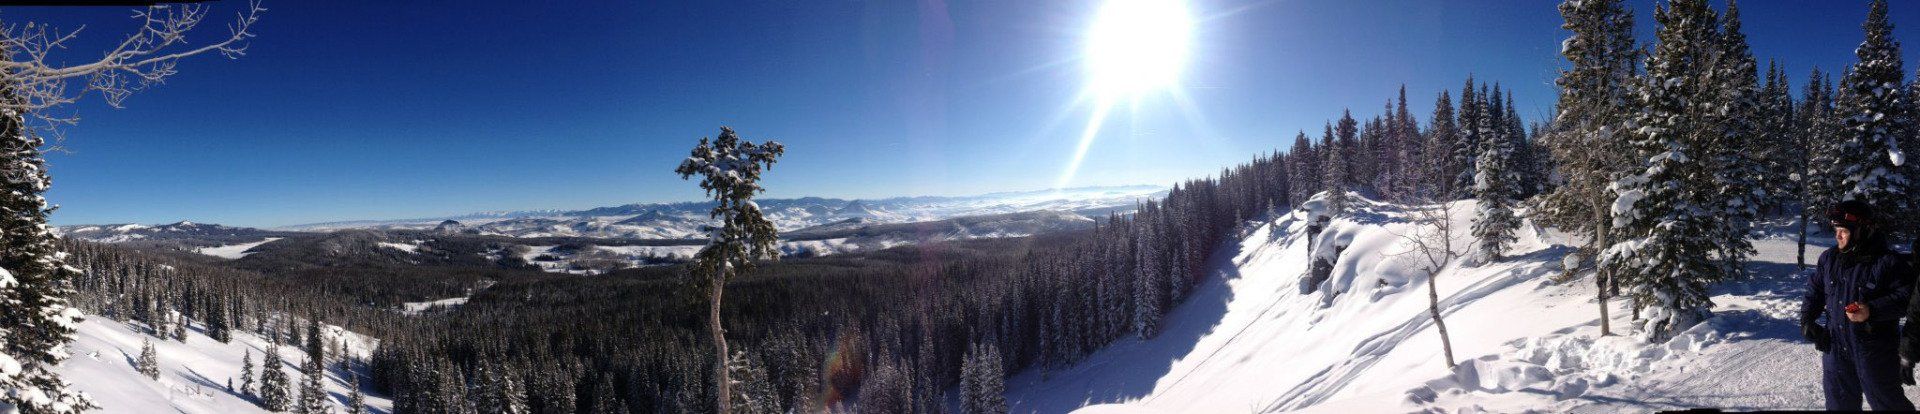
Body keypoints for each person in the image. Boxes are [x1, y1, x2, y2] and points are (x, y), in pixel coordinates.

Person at [1802, 199, 1915, 410]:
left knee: (1888, 405)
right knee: (1839, 406)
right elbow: (1814, 291)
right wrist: (1807, 319)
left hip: (1874, 350)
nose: (1837, 235)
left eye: (1843, 230)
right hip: (1835, 349)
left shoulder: (1887, 262)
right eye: (1836, 229)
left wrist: (1872, 310)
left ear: (1862, 230)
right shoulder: (1829, 259)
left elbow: (1908, 298)